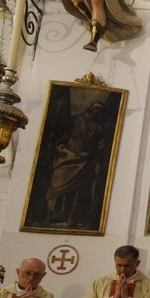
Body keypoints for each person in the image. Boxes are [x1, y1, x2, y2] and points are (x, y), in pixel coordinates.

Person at [45, 97, 114, 229]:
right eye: (94, 108)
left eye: (99, 109)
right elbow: (61, 132)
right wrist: (62, 148)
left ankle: (71, 217)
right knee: (56, 186)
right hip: (68, 155)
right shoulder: (76, 120)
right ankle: (49, 216)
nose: (95, 111)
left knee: (77, 191)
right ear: (89, 108)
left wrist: (98, 161)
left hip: (86, 160)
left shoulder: (100, 127)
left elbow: (100, 146)